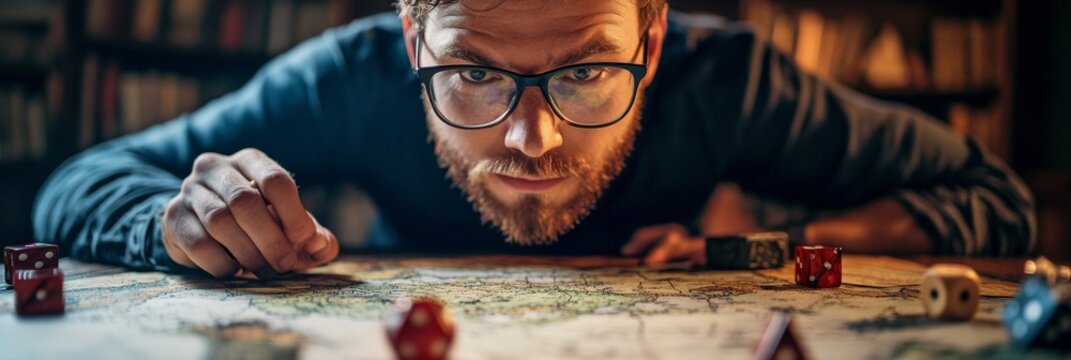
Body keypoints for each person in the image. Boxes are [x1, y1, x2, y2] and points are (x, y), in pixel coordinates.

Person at [34, 0, 1035, 279]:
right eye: (473, 72)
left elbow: (993, 198)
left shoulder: (729, 82)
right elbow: (82, 180)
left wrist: (778, 249)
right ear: (412, 41)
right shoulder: (349, 78)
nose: (530, 139)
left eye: (586, 71)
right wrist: (177, 220)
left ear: (650, 41)